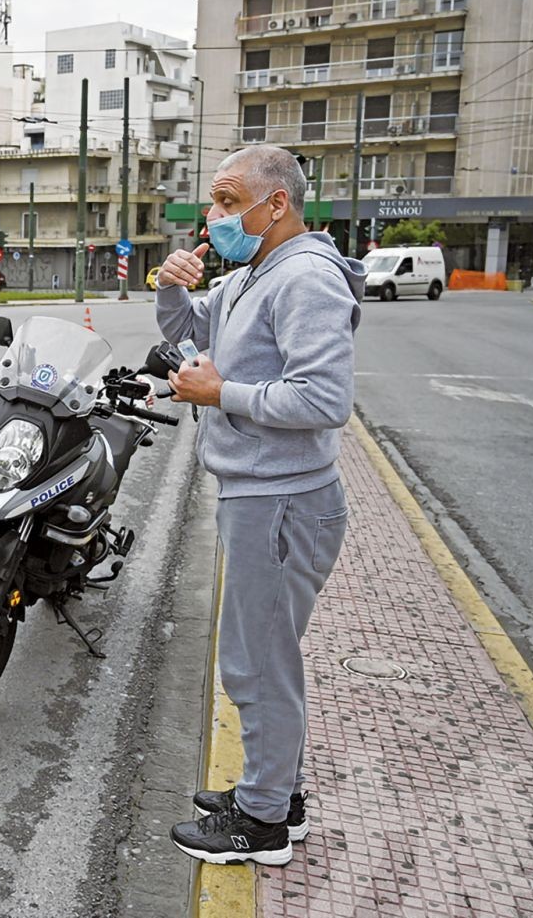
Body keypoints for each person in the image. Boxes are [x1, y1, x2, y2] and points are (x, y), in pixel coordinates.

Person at [157, 144, 365, 867]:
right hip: (261, 495)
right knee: (266, 656)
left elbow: (324, 399)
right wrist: (169, 286)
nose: (212, 217)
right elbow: (189, 336)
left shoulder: (305, 278)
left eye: (224, 200)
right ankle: (281, 792)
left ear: (275, 203)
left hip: (281, 501)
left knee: (257, 663)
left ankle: (262, 821)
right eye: (211, 203)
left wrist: (222, 394)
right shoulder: (256, 273)